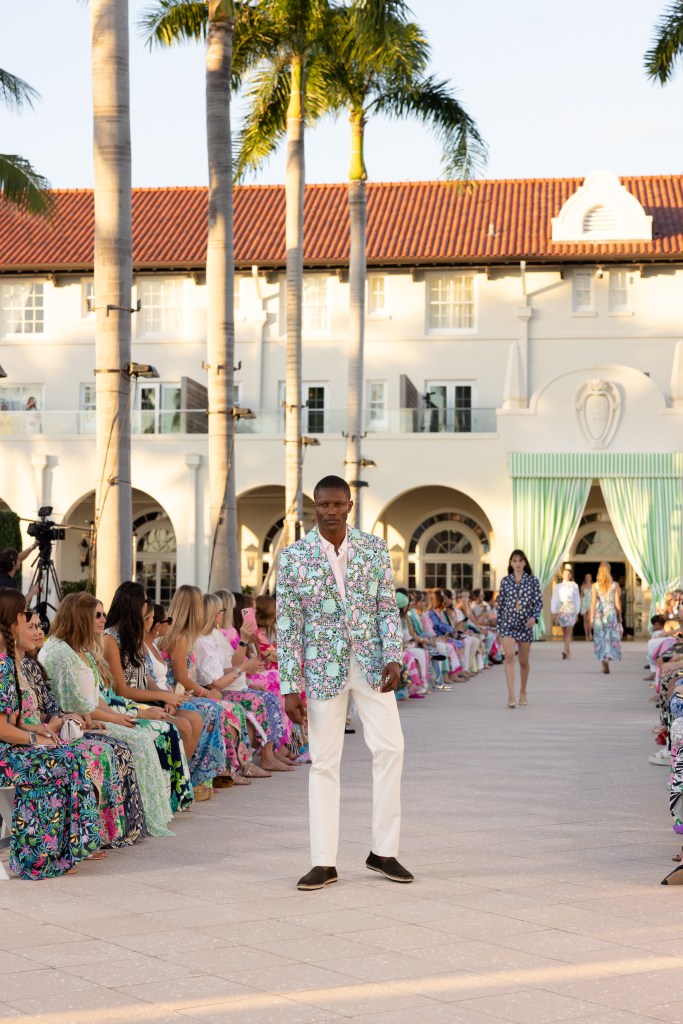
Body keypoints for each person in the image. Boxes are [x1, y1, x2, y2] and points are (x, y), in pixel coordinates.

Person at [277, 474, 412, 891]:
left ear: (349, 505)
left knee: (391, 748)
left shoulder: (373, 549)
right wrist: (288, 684)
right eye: (323, 505)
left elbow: (387, 607)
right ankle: (324, 861)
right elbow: (287, 625)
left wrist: (394, 654)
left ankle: (383, 851)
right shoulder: (294, 557)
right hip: (321, 670)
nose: (330, 511)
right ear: (313, 508)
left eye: (338, 504)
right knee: (324, 762)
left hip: (371, 664)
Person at [0, 588, 102, 878]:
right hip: (4, 755)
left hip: (8, 749)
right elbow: (3, 729)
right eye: (24, 615)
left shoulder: (7, 663)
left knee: (69, 756)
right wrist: (36, 740)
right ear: (13, 620)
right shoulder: (2, 665)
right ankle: (38, 857)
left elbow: (14, 723)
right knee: (59, 762)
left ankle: (63, 849)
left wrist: (43, 731)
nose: (30, 619)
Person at [497, 549, 543, 708]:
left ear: (524, 563)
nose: (517, 564)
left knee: (523, 661)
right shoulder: (505, 581)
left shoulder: (532, 581)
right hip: (507, 624)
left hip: (525, 625)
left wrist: (534, 618)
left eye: (520, 561)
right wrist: (499, 628)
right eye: (514, 561)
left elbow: (538, 603)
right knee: (509, 656)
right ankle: (511, 694)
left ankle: (523, 691)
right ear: (511, 563)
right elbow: (500, 606)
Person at [590, 561, 622, 674]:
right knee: (609, 636)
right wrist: (620, 617)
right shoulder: (615, 585)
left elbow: (593, 602)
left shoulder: (595, 586)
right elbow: (617, 603)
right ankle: (608, 656)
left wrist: (591, 618)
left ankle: (603, 660)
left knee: (600, 638)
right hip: (611, 613)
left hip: (599, 614)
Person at [550, 567, 581, 660]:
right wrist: (554, 612)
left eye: (568, 574)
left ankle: (564, 650)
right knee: (565, 632)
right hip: (561, 609)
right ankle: (568, 650)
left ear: (571, 575)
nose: (567, 575)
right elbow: (554, 599)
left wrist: (577, 612)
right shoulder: (558, 586)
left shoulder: (574, 586)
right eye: (565, 573)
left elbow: (577, 599)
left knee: (568, 631)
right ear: (562, 575)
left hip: (571, 609)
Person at [580, 574, 593, 642]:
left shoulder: (593, 586)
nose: (588, 578)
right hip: (584, 603)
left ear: (591, 578)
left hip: (591, 603)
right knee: (585, 620)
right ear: (585, 578)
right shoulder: (582, 586)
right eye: (587, 577)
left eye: (589, 577)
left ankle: (590, 632)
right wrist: (580, 604)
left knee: (589, 619)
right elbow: (581, 595)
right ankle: (586, 635)